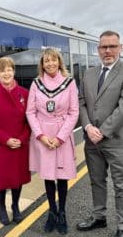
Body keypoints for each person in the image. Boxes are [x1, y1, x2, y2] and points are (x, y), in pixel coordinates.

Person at [77, 30, 123, 237]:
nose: (108, 50)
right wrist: (87, 127)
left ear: (120, 48)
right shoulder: (88, 74)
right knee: (96, 181)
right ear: (98, 50)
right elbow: (81, 103)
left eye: (112, 46)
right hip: (92, 140)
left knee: (121, 185)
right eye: (104, 47)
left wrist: (102, 132)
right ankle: (99, 217)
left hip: (118, 140)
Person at [26, 48, 79, 235]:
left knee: (62, 177)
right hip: (43, 136)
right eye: (46, 61)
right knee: (48, 176)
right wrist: (40, 135)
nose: (50, 64)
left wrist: (60, 138)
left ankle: (62, 212)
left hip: (61, 134)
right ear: (42, 64)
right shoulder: (36, 83)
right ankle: (52, 212)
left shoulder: (69, 83)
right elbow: (30, 112)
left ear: (59, 62)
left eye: (53, 60)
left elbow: (74, 112)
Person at [0, 57, 31, 226]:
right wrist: (6, 139)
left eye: (9, 69)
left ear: (14, 71)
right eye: (2, 70)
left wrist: (22, 139)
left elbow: (29, 121)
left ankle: (15, 206)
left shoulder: (24, 93)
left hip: (19, 145)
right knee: (1, 179)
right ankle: (2, 207)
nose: (6, 73)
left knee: (17, 178)